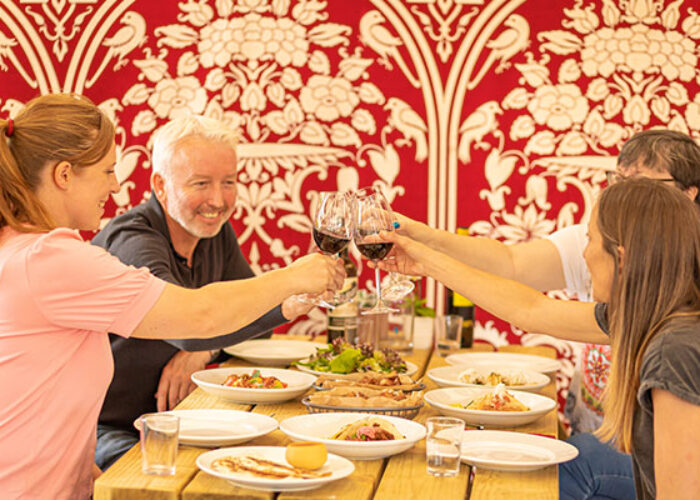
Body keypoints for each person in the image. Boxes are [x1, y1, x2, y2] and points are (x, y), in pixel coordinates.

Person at [0, 93, 344, 500]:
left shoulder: (30, 249)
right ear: (63, 175)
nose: (116, 184)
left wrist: (88, 476)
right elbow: (200, 318)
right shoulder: (51, 258)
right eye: (108, 170)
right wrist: (293, 276)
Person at [391, 130, 700, 499]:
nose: (583, 255)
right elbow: (531, 309)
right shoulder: (650, 311)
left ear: (624, 254)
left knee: (576, 460)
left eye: (590, 240)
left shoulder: (674, 348)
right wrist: (426, 259)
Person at [91, 115, 318, 470]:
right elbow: (186, 330)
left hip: (181, 420)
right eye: (201, 183)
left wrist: (203, 349)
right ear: (160, 185)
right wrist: (197, 342)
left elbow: (260, 320)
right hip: (106, 430)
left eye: (229, 182)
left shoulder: (215, 235)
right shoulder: (133, 240)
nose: (218, 199)